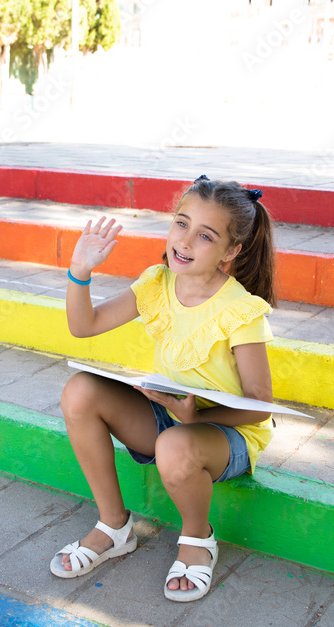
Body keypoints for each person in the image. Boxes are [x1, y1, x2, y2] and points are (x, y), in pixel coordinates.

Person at [49, 175, 277, 602]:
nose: (185, 241)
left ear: (232, 251)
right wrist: (80, 272)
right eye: (181, 223)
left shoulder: (242, 310)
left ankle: (197, 539)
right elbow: (85, 326)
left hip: (225, 434)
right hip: (168, 413)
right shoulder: (157, 283)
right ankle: (114, 526)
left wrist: (198, 418)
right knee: (80, 390)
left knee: (175, 444)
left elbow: (260, 406)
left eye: (205, 235)